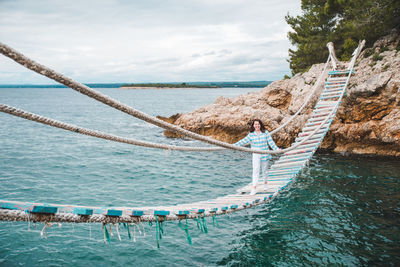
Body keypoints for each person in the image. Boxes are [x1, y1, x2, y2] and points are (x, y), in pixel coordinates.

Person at [235, 119, 279, 195]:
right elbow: (243, 141)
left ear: (260, 125)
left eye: (258, 124)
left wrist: (277, 149)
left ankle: (265, 183)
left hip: (265, 153)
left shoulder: (265, 133)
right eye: (255, 124)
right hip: (256, 154)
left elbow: (271, 142)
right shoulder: (251, 134)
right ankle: (254, 187)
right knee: (256, 171)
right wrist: (233, 146)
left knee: (264, 170)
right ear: (253, 125)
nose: (257, 125)